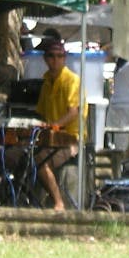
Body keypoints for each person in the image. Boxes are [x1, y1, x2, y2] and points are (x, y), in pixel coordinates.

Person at [34, 38, 81, 211]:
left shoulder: (72, 80)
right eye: (52, 56)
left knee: (40, 161)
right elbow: (41, 113)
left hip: (70, 140)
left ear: (65, 58)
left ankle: (59, 203)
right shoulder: (46, 81)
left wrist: (54, 126)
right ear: (45, 59)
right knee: (13, 156)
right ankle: (28, 200)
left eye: (60, 56)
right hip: (49, 139)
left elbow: (73, 112)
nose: (56, 60)